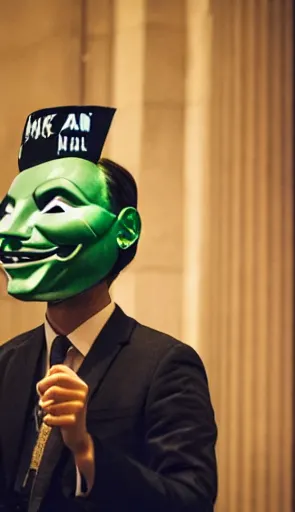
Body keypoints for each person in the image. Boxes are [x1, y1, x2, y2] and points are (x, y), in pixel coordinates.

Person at [0, 106, 217, 511]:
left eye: (56, 207)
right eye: (8, 212)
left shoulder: (164, 365)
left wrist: (86, 451)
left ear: (125, 229)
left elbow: (191, 499)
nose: (12, 232)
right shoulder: (6, 362)